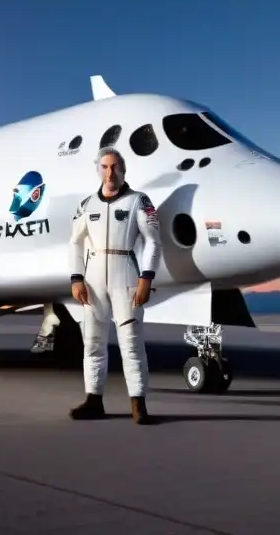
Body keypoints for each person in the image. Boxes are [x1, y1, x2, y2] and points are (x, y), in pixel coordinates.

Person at [67, 146, 161, 424]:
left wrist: (146, 278)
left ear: (123, 170)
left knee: (131, 344)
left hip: (127, 277)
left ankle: (138, 403)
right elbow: (74, 242)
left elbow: (154, 242)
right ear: (99, 170)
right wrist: (76, 278)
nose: (110, 172)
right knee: (92, 342)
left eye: (115, 167)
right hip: (93, 278)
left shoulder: (139, 202)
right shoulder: (86, 205)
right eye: (105, 167)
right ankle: (93, 400)